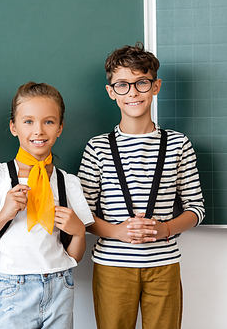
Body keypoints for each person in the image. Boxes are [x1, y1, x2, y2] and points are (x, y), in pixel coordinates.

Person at [77, 42, 205, 329]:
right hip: (112, 266)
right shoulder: (97, 147)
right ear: (111, 92)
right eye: (122, 85)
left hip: (164, 265)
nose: (132, 92)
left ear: (155, 86)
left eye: (141, 83)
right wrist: (116, 231)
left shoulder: (178, 144)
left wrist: (166, 229)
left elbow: (196, 209)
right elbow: (82, 213)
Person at [0, 82, 94, 329]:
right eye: (28, 121)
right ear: (13, 127)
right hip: (14, 288)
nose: (39, 131)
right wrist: (4, 214)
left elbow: (74, 255)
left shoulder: (67, 182)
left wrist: (77, 232)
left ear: (60, 128)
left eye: (49, 122)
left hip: (60, 285)